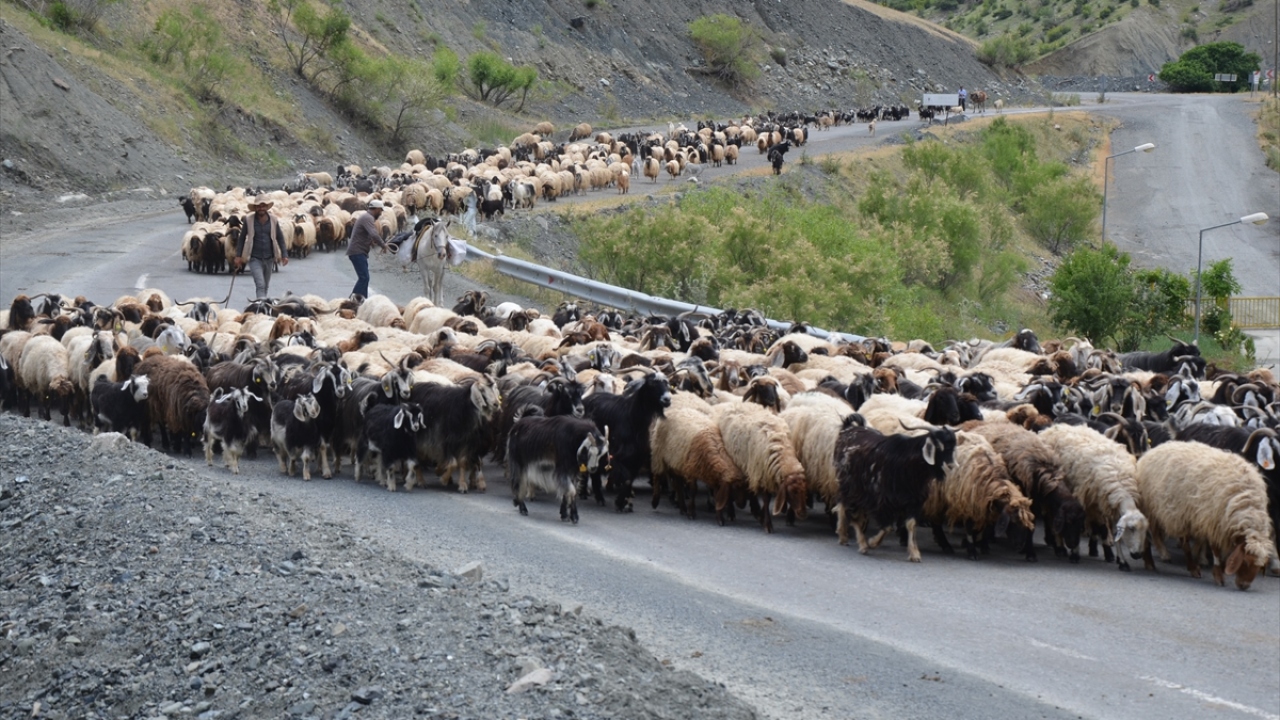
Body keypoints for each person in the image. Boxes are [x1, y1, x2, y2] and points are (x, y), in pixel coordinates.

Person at [234, 196, 289, 300]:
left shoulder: (273, 220)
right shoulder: (249, 220)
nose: (261, 208)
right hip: (254, 258)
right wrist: (238, 256)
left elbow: (280, 237)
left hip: (269, 258)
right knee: (260, 284)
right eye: (259, 206)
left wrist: (284, 254)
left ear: (267, 207)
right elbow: (241, 238)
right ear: (255, 208)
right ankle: (261, 307)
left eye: (263, 206)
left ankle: (261, 305)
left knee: (265, 285)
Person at [347, 199, 388, 299]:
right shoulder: (368, 218)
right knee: (364, 277)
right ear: (377, 209)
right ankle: (353, 300)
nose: (381, 213)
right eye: (380, 210)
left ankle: (361, 299)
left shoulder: (366, 217)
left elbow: (366, 234)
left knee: (364, 278)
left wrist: (370, 241)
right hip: (357, 251)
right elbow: (374, 233)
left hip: (358, 251)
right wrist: (383, 245)